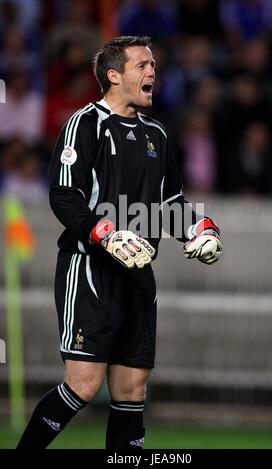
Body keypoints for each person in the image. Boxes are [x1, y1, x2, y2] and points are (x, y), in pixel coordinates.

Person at [16, 35, 222, 449]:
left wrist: (203, 229)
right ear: (114, 75)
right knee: (83, 386)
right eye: (142, 65)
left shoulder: (157, 135)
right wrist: (105, 233)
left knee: (131, 391)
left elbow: (170, 203)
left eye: (154, 66)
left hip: (138, 273)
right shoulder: (85, 123)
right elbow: (64, 195)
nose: (152, 72)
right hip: (90, 270)